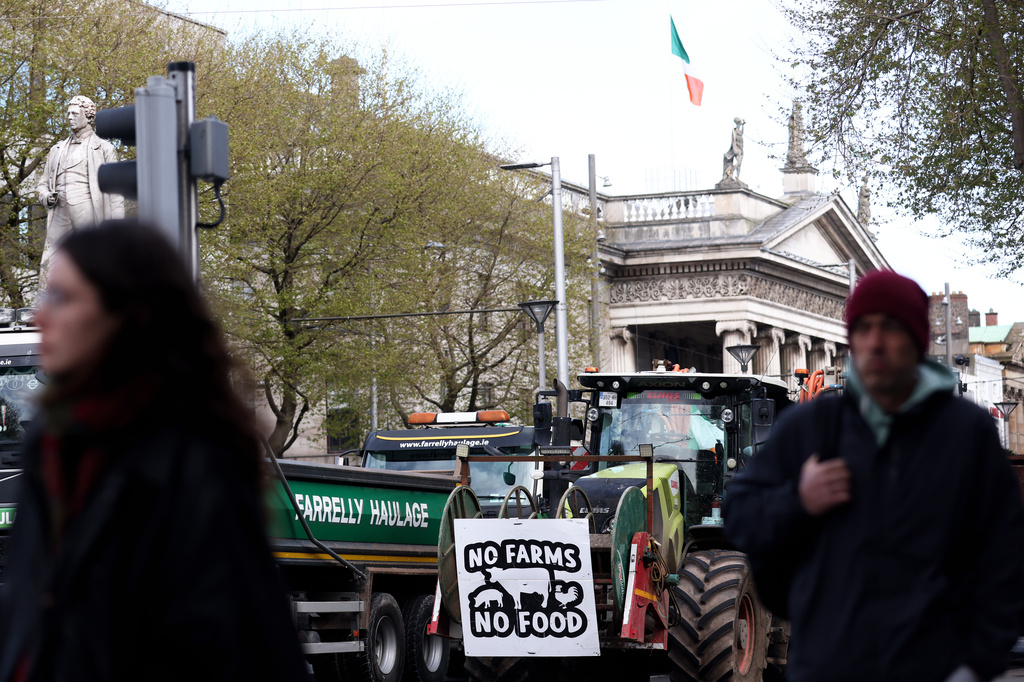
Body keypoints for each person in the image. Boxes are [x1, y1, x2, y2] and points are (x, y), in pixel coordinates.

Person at [0, 221, 306, 681]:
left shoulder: (192, 454)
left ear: (124, 315)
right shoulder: (48, 444)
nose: (40, 317)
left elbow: (229, 637)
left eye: (61, 298)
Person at [724, 269, 1024, 682]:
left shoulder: (964, 431)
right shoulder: (811, 427)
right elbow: (740, 515)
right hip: (832, 666)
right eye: (863, 327)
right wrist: (798, 500)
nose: (875, 341)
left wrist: (976, 663)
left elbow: (1004, 556)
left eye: (891, 327)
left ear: (917, 339)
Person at [36, 96, 125, 281]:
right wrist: (46, 196)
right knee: (51, 260)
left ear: (89, 116)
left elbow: (115, 192)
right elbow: (42, 184)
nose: (69, 117)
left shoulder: (104, 149)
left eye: (75, 113)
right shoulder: (56, 149)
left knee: (91, 258)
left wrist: (116, 229)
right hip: (59, 210)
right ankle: (48, 303)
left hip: (88, 207)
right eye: (68, 113)